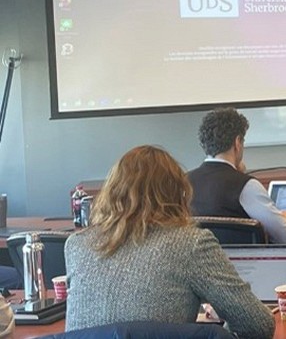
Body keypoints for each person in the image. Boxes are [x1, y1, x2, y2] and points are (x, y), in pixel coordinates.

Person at [64, 145, 274, 338]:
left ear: (111, 192)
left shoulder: (76, 245)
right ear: (178, 193)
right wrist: (211, 333)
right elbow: (257, 324)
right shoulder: (191, 243)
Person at [187, 107, 286, 244]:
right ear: (237, 142)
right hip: (240, 265)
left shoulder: (183, 182)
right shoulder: (246, 186)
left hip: (197, 263)